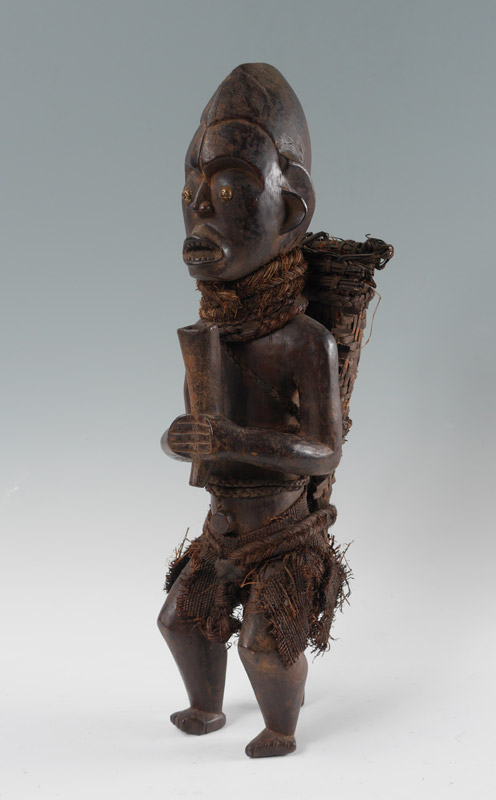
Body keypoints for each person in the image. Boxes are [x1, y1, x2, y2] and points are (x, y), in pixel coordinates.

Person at [157, 63, 346, 758]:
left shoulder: (305, 341)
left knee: (265, 646)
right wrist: (181, 438)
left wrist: (234, 440)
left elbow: (324, 451)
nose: (201, 211)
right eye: (193, 191)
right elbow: (197, 429)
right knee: (180, 620)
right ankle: (205, 707)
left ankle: (281, 726)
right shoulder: (210, 335)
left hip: (283, 531)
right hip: (223, 525)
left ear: (291, 212)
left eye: (232, 188)